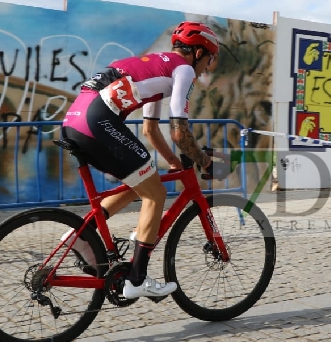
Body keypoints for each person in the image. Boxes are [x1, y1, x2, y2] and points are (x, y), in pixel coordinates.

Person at [60, 21, 223, 299]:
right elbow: (179, 131)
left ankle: (79, 235)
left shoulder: (155, 66)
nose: (207, 67)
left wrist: (173, 162)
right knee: (156, 193)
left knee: (144, 181)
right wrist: (205, 162)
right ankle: (137, 279)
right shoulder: (183, 71)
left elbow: (150, 129)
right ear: (198, 53)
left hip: (74, 121)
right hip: (98, 121)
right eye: (209, 60)